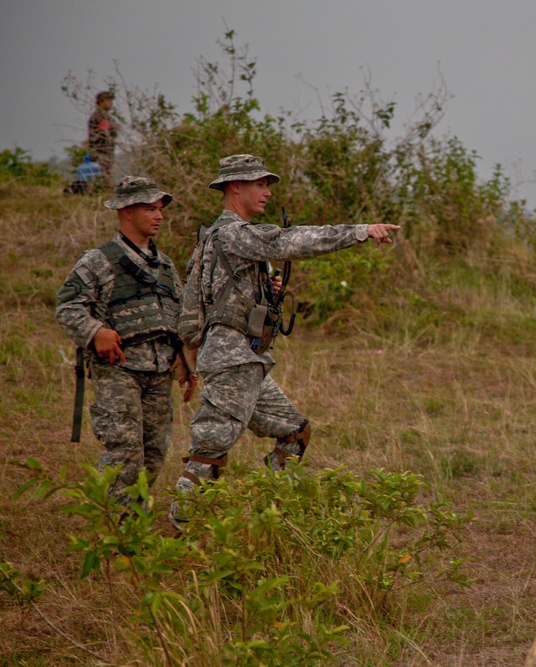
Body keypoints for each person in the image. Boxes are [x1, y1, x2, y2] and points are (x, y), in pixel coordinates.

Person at [169, 154, 399, 530]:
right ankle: (178, 532)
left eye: (267, 183)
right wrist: (359, 231)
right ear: (234, 187)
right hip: (233, 360)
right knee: (209, 454)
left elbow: (209, 297)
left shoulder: (221, 237)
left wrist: (262, 291)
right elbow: (291, 241)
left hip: (246, 359)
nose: (266, 191)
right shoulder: (232, 232)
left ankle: (275, 514)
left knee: (293, 431)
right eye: (259, 183)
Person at [56, 176, 197, 506]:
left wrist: (187, 363)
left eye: (160, 209)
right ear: (126, 212)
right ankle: (121, 535)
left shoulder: (164, 265)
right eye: (150, 209)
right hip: (119, 370)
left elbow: (177, 316)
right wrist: (96, 332)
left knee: (154, 454)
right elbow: (67, 306)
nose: (159, 216)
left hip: (160, 372)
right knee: (125, 454)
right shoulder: (98, 260)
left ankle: (134, 524)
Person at [88, 91, 118, 189]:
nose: (111, 103)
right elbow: (102, 133)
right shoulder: (98, 117)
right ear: (100, 102)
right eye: (108, 100)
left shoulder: (107, 117)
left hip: (107, 151)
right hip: (100, 152)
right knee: (103, 176)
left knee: (107, 174)